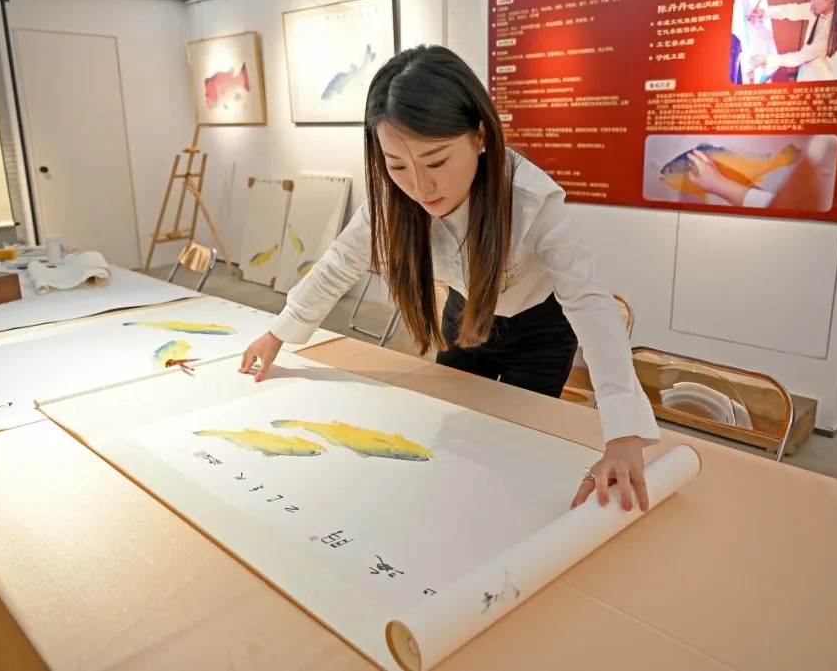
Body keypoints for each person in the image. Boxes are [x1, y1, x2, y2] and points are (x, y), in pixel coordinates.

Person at [239, 44, 661, 513]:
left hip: (540, 331)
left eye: (436, 161)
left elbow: (589, 304)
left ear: (479, 136)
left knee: (514, 444)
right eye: (397, 165)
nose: (420, 187)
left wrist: (623, 434)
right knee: (449, 430)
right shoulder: (394, 200)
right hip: (464, 316)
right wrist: (279, 333)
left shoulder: (530, 199)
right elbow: (340, 262)